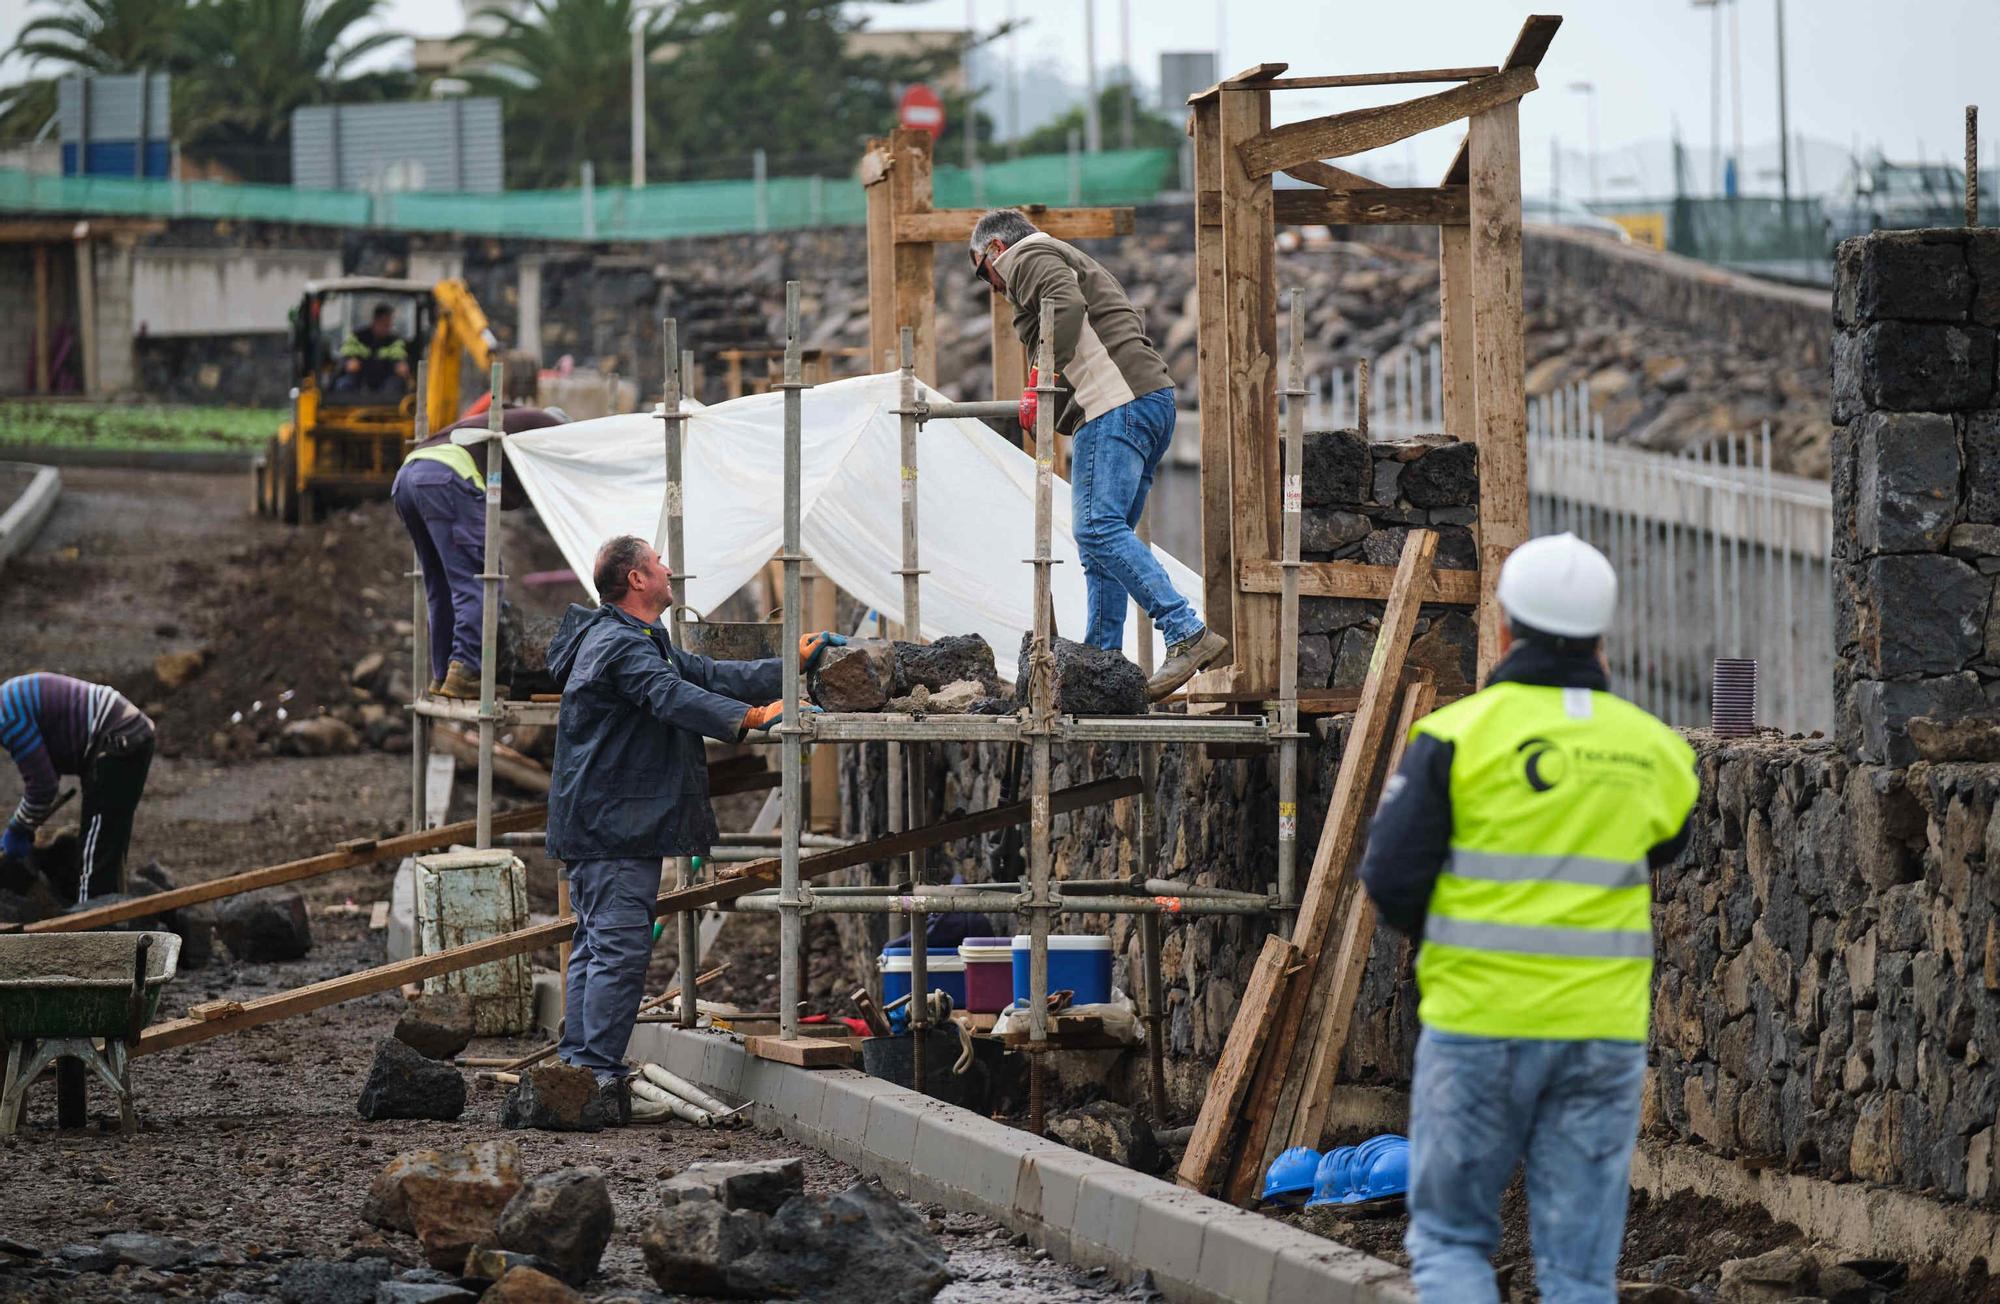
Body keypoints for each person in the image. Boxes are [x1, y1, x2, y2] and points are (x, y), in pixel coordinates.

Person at [1358, 533, 1699, 1304]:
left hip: (1480, 1022)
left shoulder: (1454, 739)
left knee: (1452, 1244)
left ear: (1504, 628)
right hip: (1600, 1034)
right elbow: (1665, 841)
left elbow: (1391, 878)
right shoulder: (1652, 750)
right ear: (1601, 636)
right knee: (1580, 1271)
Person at [545, 534, 844, 1122]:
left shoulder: (632, 638)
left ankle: (579, 1072)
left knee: (597, 944)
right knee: (617, 948)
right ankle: (595, 1078)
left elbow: (704, 672)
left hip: (605, 823)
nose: (669, 568)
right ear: (636, 579)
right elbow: (669, 694)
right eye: (659, 563)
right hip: (613, 828)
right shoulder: (620, 646)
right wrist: (750, 719)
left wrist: (789, 668)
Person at [968, 207, 1227, 699]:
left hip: (1116, 407)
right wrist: (1044, 399)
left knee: (1095, 527)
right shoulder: (1064, 259)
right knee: (1103, 545)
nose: (991, 287)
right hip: (1147, 403)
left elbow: (1063, 308)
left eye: (983, 272)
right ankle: (1099, 663)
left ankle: (1184, 629)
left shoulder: (1027, 256)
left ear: (996, 250)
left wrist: (1036, 379)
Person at [393, 405, 566, 699]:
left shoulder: (512, 419)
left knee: (442, 585)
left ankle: (444, 673)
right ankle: (468, 670)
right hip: (447, 477)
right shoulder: (554, 429)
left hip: (410, 474)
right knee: (481, 581)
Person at [1, 672, 156, 903]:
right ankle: (113, 914)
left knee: (96, 855)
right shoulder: (7, 702)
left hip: (117, 740)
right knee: (106, 843)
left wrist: (19, 827)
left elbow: (44, 786)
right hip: (123, 735)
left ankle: (93, 927)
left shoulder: (7, 718)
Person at [337, 303, 411, 391]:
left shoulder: (394, 341)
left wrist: (401, 365)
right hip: (359, 380)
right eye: (385, 324)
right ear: (376, 321)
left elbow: (400, 357)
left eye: (389, 324)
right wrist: (348, 362)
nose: (388, 327)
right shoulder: (357, 338)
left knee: (397, 385)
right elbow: (346, 354)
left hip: (385, 381)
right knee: (344, 384)